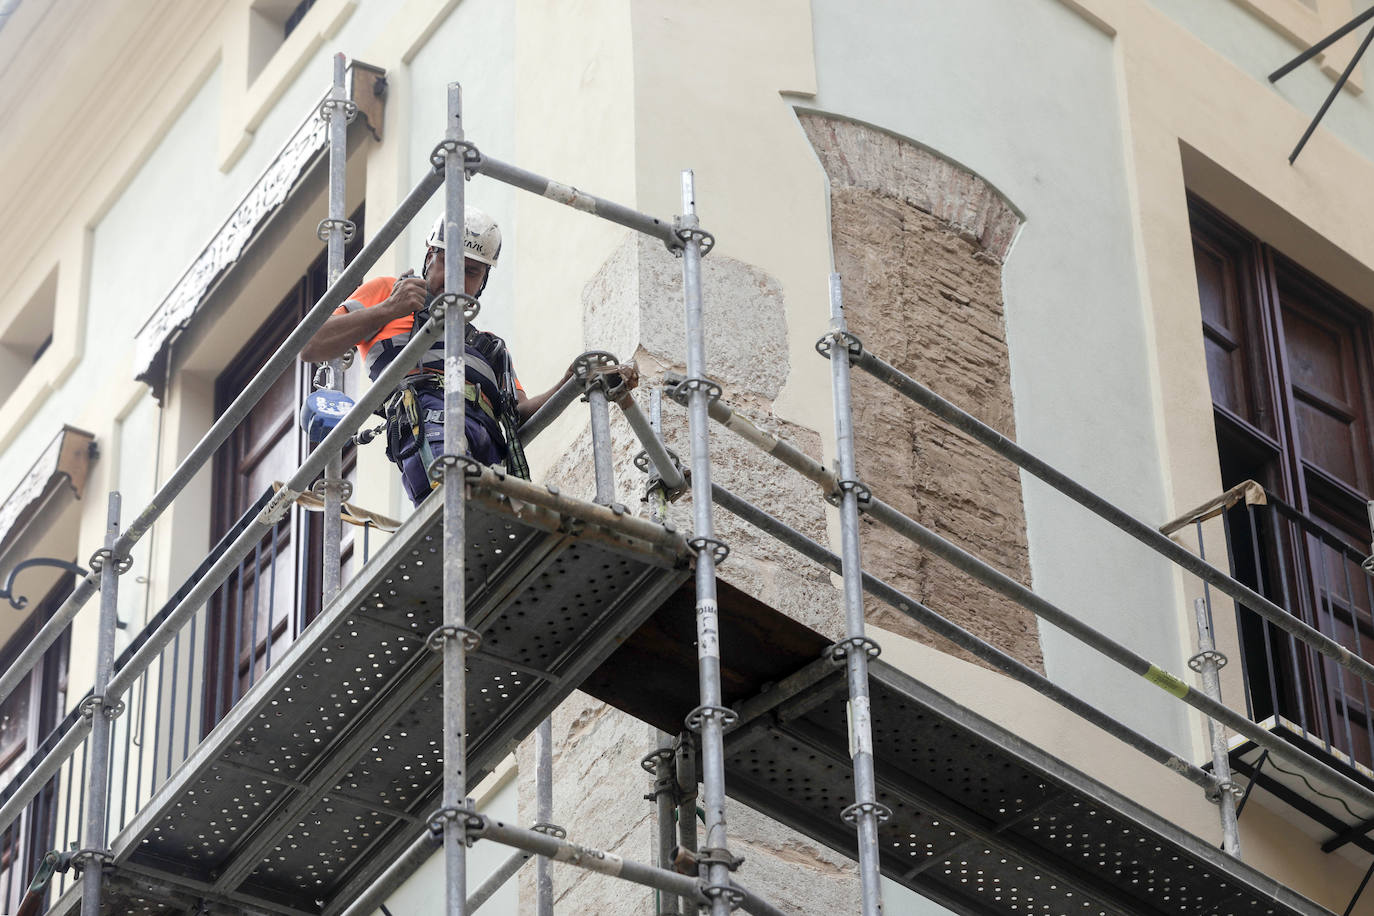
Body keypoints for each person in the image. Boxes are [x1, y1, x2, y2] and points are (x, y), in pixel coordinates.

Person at [301, 208, 570, 505]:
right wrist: (390, 308)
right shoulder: (390, 293)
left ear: (482, 281)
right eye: (449, 262)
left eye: (471, 272)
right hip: (428, 422)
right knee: (454, 497)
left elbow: (518, 413)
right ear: (430, 256)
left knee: (500, 515)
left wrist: (570, 383)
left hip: (487, 441)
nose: (457, 278)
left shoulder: (488, 347)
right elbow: (312, 345)